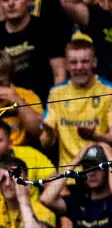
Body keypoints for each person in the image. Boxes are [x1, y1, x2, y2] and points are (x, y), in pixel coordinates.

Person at [39, 40, 111, 169]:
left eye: (84, 62)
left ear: (94, 62)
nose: (79, 67)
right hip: (69, 176)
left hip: (101, 173)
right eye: (73, 62)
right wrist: (49, 133)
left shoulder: (108, 91)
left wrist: (94, 136)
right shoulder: (56, 93)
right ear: (66, 65)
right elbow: (45, 144)